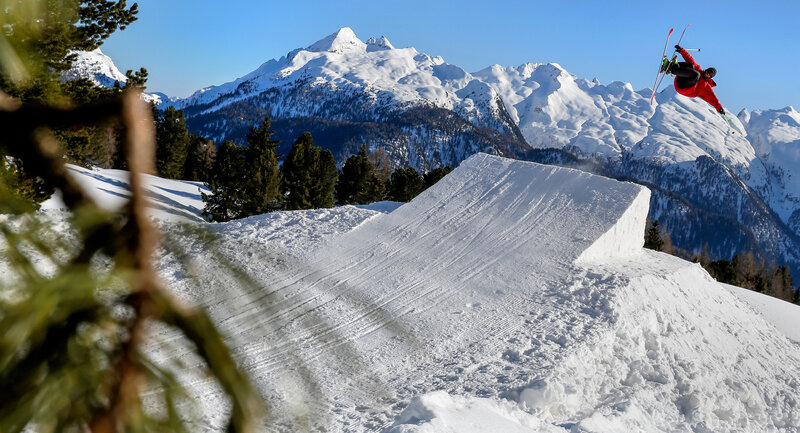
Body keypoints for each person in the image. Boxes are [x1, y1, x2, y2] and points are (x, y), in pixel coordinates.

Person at [663, 45, 724, 114]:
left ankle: (673, 69)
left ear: (710, 77)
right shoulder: (699, 69)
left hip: (684, 89)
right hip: (680, 80)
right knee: (691, 65)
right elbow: (689, 59)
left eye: (708, 74)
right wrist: (681, 50)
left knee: (696, 75)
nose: (706, 73)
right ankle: (668, 67)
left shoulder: (706, 87)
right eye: (707, 71)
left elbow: (713, 99)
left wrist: (719, 108)